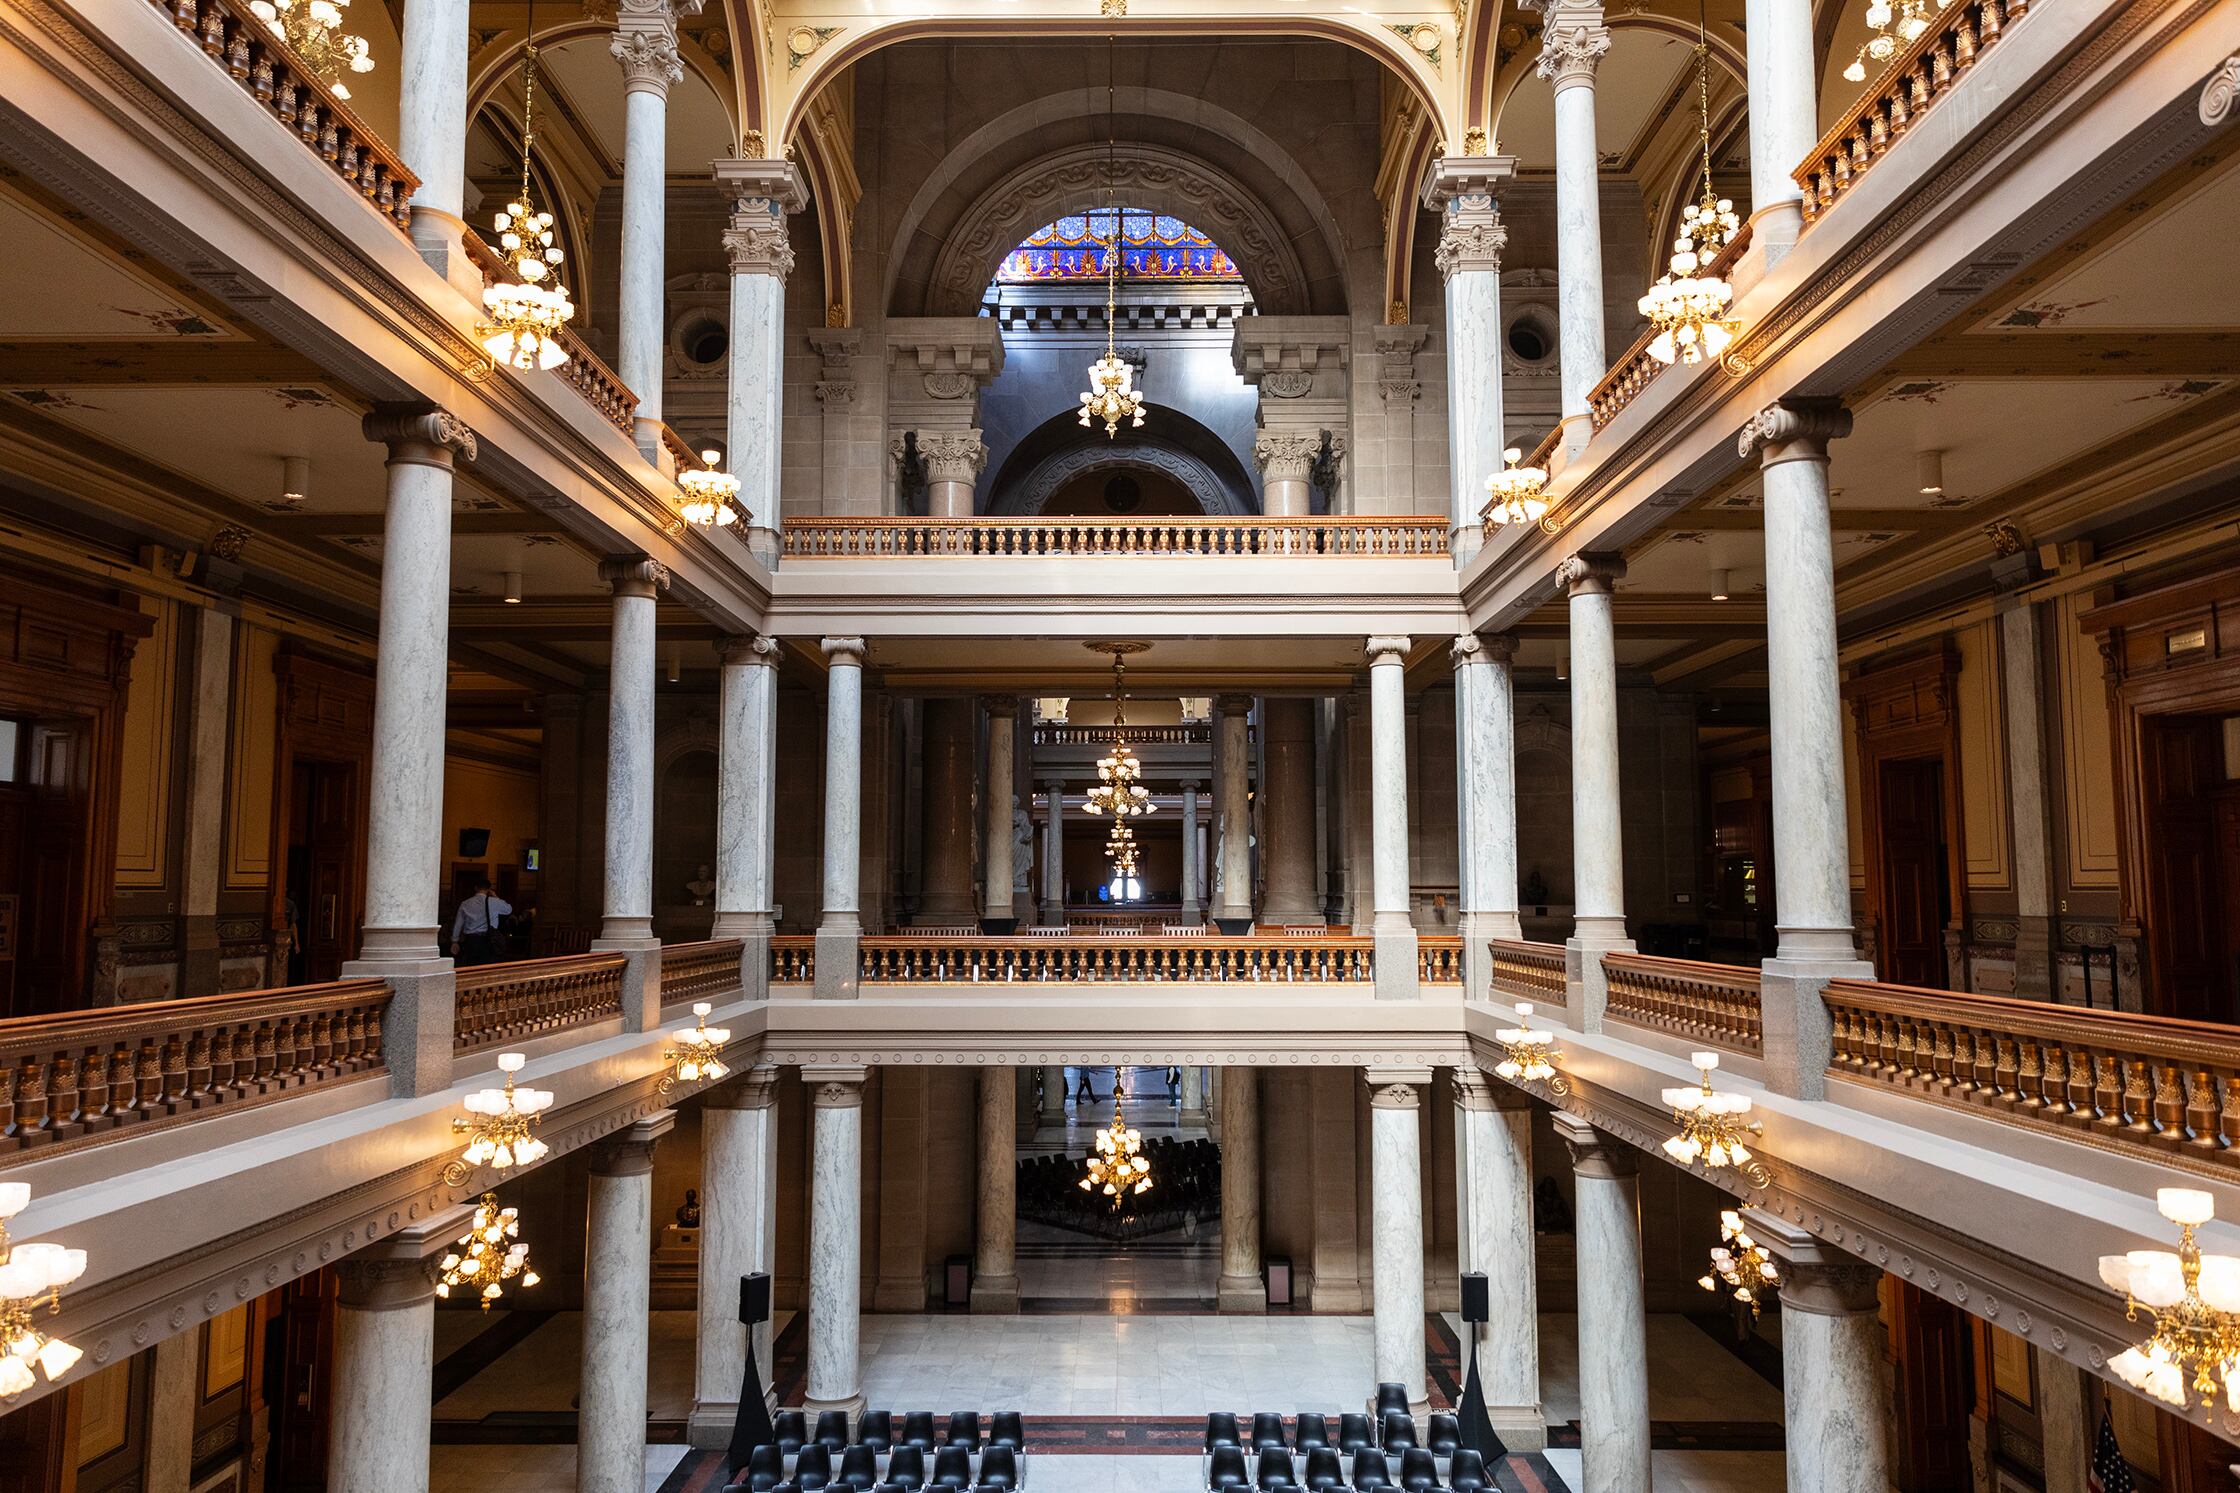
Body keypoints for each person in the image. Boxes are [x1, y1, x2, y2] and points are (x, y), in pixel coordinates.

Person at [451, 878, 513, 967]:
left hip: (471, 940)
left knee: (471, 966)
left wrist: (454, 941)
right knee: (486, 967)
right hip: (488, 940)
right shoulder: (494, 902)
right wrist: (496, 897)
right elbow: (508, 910)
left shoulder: (465, 903)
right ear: (489, 889)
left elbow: (458, 924)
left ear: (475, 888)